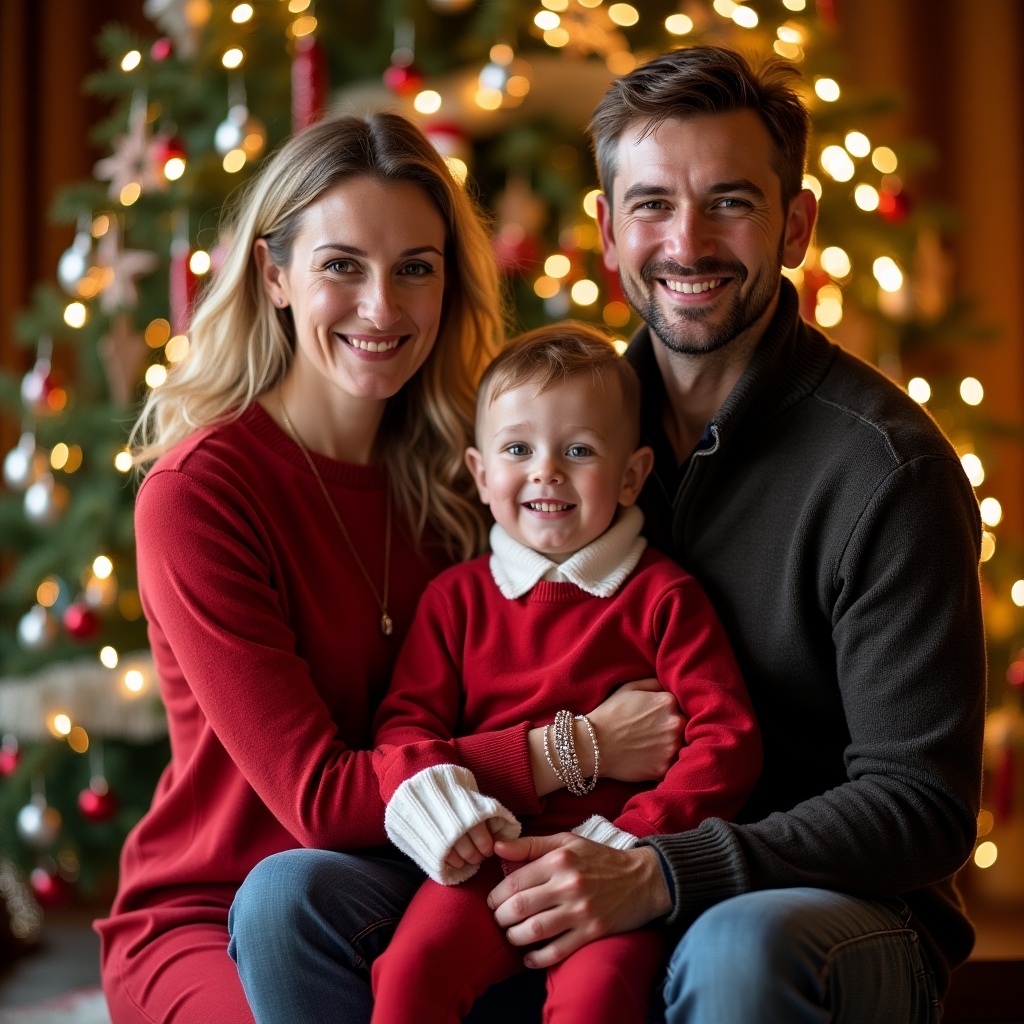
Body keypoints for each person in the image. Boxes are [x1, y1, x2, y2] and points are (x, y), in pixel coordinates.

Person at [94, 112, 685, 1024]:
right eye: (342, 266)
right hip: (215, 906)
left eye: (415, 268)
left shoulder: (475, 476)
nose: (383, 307)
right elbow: (322, 797)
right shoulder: (199, 494)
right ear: (274, 276)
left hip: (421, 882)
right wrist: (581, 747)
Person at [480, 45, 987, 1024]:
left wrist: (662, 872)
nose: (688, 241)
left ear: (794, 224)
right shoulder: (545, 447)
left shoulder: (884, 471)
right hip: (591, 863)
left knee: (734, 944)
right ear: (606, 232)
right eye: (652, 206)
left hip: (834, 917)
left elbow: (920, 804)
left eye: (730, 203)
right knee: (318, 898)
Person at [369, 323, 762, 1023]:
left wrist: (632, 838)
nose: (546, 470)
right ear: (481, 472)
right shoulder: (454, 600)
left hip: (611, 869)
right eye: (518, 449)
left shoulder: (663, 596)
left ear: (633, 474)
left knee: (597, 997)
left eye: (578, 450)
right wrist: (443, 809)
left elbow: (726, 740)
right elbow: (407, 727)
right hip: (486, 856)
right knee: (407, 974)